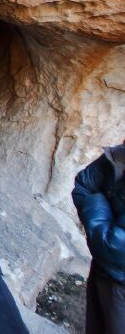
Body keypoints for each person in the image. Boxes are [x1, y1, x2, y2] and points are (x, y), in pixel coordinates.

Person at [72, 139, 125, 333]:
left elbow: (113, 247)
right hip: (103, 269)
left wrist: (97, 204)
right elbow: (83, 185)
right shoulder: (118, 156)